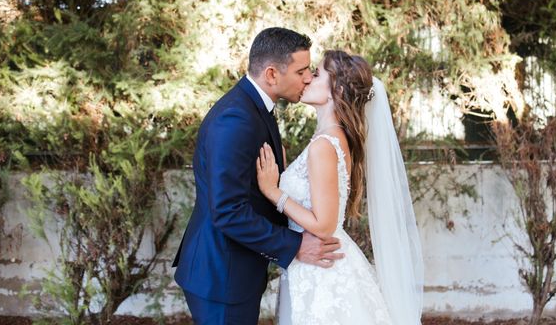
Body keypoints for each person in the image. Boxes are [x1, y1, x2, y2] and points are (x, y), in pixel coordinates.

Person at [173, 28, 344, 325]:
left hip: (234, 271)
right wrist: (294, 245)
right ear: (271, 74)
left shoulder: (255, 109)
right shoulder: (236, 119)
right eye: (301, 70)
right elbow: (227, 211)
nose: (307, 78)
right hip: (221, 275)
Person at [256, 50, 424, 325]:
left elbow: (323, 224)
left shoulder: (324, 145)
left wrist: (274, 192)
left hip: (323, 267)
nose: (308, 78)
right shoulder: (330, 139)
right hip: (318, 263)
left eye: (318, 73)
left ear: (338, 89)